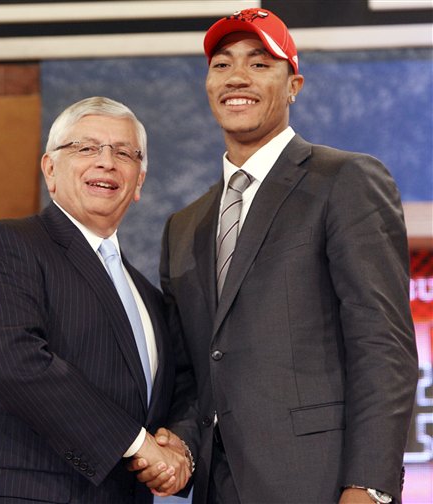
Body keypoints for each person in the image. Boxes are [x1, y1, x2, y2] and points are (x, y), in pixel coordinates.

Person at [133, 7, 419, 504]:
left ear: (294, 85)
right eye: (221, 65)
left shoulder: (345, 181)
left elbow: (383, 346)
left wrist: (368, 486)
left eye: (260, 63)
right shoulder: (184, 225)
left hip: (319, 483)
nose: (236, 77)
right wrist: (181, 443)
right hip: (217, 490)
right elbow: (191, 372)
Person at [0, 96, 191, 504]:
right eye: (86, 147)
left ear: (139, 181)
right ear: (50, 170)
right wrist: (136, 443)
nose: (107, 161)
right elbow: (13, 365)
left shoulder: (149, 298)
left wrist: (180, 449)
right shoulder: (4, 245)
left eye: (125, 153)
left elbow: (183, 389)